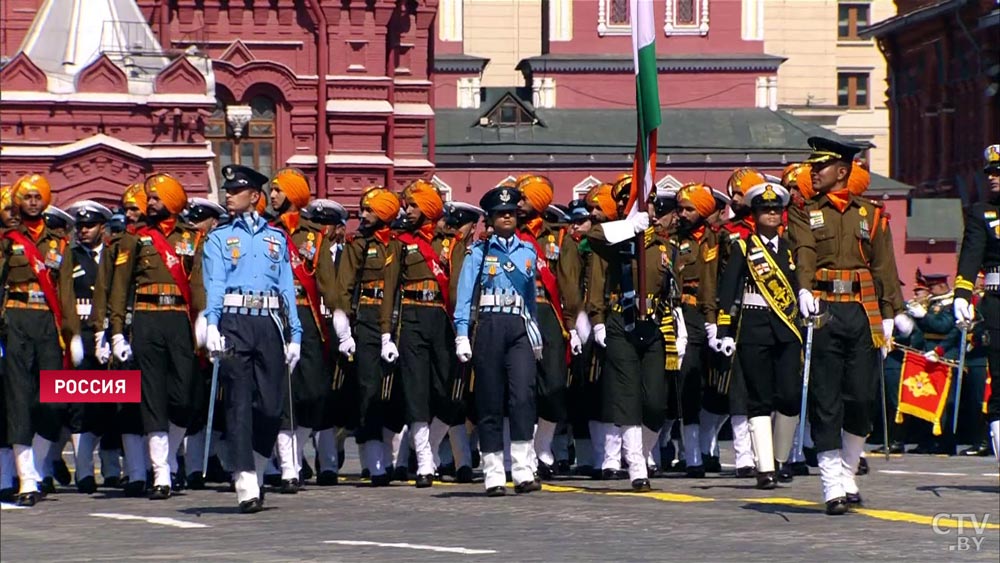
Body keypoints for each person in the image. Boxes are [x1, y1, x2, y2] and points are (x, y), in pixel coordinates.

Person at [787, 137, 911, 515]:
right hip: (824, 309)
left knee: (861, 397)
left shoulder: (871, 215)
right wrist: (805, 289)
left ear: (842, 171)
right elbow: (804, 250)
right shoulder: (804, 212)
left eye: (819, 167)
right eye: (811, 167)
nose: (812, 173)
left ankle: (847, 469)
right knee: (826, 397)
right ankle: (830, 484)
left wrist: (892, 312)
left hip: (862, 311)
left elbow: (884, 266)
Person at [202, 164, 301, 513]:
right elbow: (214, 284)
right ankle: (245, 481)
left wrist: (296, 334)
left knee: (272, 406)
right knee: (239, 403)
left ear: (255, 197)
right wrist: (211, 325)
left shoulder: (276, 237)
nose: (228, 194)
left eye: (236, 190)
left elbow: (287, 287)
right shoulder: (217, 238)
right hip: (234, 323)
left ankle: (256, 469)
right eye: (227, 189)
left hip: (270, 323)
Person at [108, 173, 205, 499]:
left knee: (184, 397)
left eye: (156, 198)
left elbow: (198, 283)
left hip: (179, 321)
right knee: (151, 397)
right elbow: (119, 289)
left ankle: (167, 456)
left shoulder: (192, 238)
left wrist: (205, 319)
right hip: (148, 321)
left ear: (173, 202)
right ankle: (162, 472)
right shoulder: (135, 239)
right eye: (148, 199)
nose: (149, 204)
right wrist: (118, 333)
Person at [585, 176, 678, 491]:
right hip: (620, 322)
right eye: (636, 201)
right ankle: (637, 467)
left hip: (654, 323)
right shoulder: (614, 238)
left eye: (648, 202)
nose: (645, 207)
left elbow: (669, 288)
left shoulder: (663, 242)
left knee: (655, 402)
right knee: (627, 399)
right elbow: (592, 238)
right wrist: (596, 319)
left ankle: (643, 452)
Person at [453, 185, 542, 496]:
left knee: (522, 397)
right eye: (500, 214)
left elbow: (530, 299)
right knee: (490, 400)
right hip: (489, 326)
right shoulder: (478, 253)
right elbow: (464, 296)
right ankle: (493, 471)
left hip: (518, 326)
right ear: (489, 219)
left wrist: (535, 334)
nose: (506, 217)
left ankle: (522, 469)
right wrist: (461, 335)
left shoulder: (528, 250)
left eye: (511, 213)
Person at [716, 182, 802, 489]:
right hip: (753, 326)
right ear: (754, 214)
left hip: (788, 328)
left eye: (776, 209)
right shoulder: (743, 247)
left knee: (790, 396)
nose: (772, 214)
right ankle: (765, 467)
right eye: (765, 209)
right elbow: (728, 290)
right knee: (759, 398)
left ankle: (782, 458)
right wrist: (724, 329)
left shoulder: (792, 248)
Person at [381, 179, 459, 488]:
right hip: (411, 318)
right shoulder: (400, 242)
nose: (408, 210)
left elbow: (458, 290)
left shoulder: (451, 242)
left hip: (441, 319)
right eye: (408, 205)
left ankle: (429, 446)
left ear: (428, 207)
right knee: (415, 390)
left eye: (414, 205)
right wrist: (387, 332)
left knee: (447, 389)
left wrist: (464, 329)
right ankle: (425, 460)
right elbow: (389, 290)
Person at [268, 168, 340, 494]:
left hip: (308, 317)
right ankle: (289, 467)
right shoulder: (265, 231)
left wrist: (341, 318)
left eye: (278, 190)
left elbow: (327, 281)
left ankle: (296, 456)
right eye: (271, 190)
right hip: (274, 317)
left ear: (293, 195)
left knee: (313, 392)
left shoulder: (315, 236)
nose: (271, 196)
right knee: (284, 394)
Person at [0, 174, 69, 506]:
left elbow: (65, 291)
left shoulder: (59, 241)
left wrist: (71, 334)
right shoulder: (7, 241)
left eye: (36, 196)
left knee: (53, 402)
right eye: (25, 197)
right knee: (19, 400)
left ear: (45, 200)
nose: (31, 201)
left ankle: (39, 466)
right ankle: (27, 479)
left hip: (48, 324)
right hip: (16, 320)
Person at [329, 187, 399, 486]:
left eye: (370, 210)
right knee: (369, 387)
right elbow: (344, 285)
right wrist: (344, 327)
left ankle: (400, 457)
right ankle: (375, 464)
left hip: (401, 319)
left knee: (399, 392)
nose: (364, 215)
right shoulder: (357, 244)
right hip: (368, 318)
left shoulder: (401, 243)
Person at [515, 174, 580, 479]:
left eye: (524, 198)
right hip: (517, 311)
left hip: (550, 314)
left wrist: (574, 325)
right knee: (521, 386)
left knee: (554, 384)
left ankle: (544, 445)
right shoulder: (509, 235)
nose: (518, 204)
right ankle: (525, 451)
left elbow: (568, 283)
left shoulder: (561, 237)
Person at [59, 200, 114, 494]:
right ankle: (83, 471)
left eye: (89, 226)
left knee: (110, 403)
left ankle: (113, 467)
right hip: (81, 332)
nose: (83, 231)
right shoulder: (71, 255)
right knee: (79, 405)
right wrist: (72, 335)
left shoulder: (114, 254)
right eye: (80, 226)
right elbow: (65, 293)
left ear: (102, 228)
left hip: (106, 334)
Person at [953, 144, 1000, 462]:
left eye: (999, 172)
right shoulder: (982, 212)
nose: (993, 177)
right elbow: (970, 257)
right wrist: (961, 295)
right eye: (991, 172)